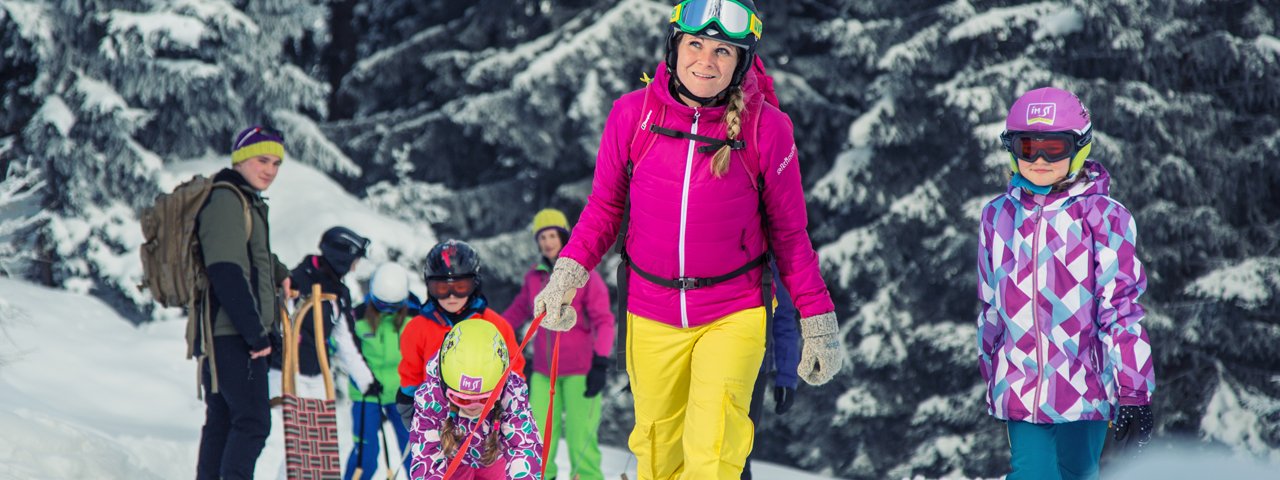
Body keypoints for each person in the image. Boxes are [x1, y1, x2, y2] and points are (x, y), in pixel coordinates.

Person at [530, 2, 845, 478]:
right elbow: (603, 210)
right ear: (674, 46)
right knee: (657, 455)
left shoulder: (768, 130)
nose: (706, 60)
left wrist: (817, 321)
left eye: (723, 50)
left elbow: (790, 237)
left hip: (733, 311)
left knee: (713, 454)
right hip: (649, 309)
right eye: (695, 44)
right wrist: (565, 277)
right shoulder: (631, 116)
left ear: (741, 62)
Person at [978, 87, 1155, 479]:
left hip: (1085, 383)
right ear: (1012, 149)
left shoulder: (1105, 217)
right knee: (1032, 474)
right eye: (1028, 148)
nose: (1039, 160)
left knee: (1078, 473)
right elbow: (990, 304)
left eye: (1053, 149)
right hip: (1022, 380)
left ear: (1078, 148)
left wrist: (1133, 389)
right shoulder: (997, 217)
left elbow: (1121, 309)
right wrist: (992, 367)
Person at [195, 125, 292, 480]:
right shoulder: (226, 199)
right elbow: (225, 270)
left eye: (277, 163)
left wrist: (280, 271)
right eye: (262, 159)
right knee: (252, 423)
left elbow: (254, 256)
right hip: (232, 334)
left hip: (232, 334)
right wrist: (256, 334)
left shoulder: (246, 200)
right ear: (241, 158)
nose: (270, 169)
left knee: (222, 422)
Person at [502, 208, 614, 480]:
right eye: (542, 237)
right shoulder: (534, 278)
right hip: (543, 373)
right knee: (538, 437)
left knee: (581, 440)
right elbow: (516, 312)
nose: (547, 242)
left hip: (581, 373)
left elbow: (604, 321)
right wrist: (491, 330)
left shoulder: (585, 277)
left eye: (552, 235)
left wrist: (600, 362)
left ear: (564, 237)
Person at [269, 226, 378, 480]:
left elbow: (345, 341)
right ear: (342, 257)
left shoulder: (339, 293)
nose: (354, 267)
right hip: (286, 373)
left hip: (316, 375)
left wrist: (367, 382)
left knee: (319, 446)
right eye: (353, 261)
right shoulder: (296, 280)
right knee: (300, 445)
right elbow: (276, 323)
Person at [396, 239, 526, 429]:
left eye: (460, 287)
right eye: (441, 288)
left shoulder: (494, 325)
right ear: (429, 288)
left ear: (474, 285)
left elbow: (514, 369)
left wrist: (509, 406)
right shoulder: (417, 328)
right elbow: (411, 372)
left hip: (484, 416)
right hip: (436, 416)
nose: (451, 296)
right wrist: (408, 402)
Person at [406, 319, 543, 479]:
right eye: (461, 399)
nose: (473, 407)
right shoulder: (432, 397)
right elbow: (426, 456)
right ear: (445, 387)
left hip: (493, 459)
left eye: (485, 400)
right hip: (452, 461)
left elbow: (525, 446)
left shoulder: (512, 394)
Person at [344, 262, 421, 480]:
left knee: (414, 452)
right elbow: (341, 347)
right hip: (367, 393)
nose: (387, 312)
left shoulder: (415, 318)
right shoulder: (356, 318)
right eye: (381, 306)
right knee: (366, 456)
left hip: (403, 394)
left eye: (393, 307)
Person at [741, 267, 800, 480]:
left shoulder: (769, 251)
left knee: (739, 453)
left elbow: (783, 315)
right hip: (703, 365)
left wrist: (787, 375)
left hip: (755, 368)